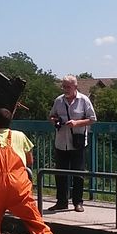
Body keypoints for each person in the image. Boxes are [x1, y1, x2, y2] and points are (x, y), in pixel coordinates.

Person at [47, 75, 96, 212]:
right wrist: (54, 120)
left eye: (68, 87)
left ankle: (78, 202)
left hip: (77, 142)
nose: (65, 89)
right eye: (64, 86)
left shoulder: (84, 100)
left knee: (78, 173)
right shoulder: (59, 100)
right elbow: (51, 115)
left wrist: (76, 123)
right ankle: (61, 201)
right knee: (61, 174)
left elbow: (92, 119)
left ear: (75, 86)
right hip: (61, 141)